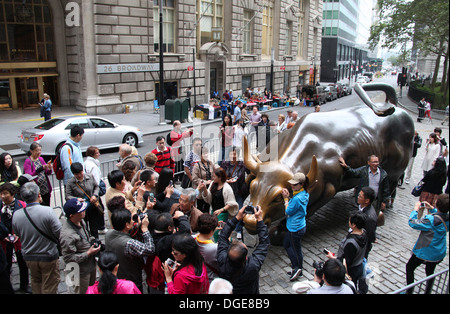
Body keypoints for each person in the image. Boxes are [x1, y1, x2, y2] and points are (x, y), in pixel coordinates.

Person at [12, 182, 62, 294]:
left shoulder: (17, 215)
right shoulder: (48, 211)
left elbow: (18, 233)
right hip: (48, 255)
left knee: (36, 282)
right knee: (50, 284)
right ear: (39, 195)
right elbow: (59, 232)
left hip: (29, 257)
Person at [217, 206, 270, 294]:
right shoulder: (252, 267)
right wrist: (260, 219)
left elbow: (223, 236)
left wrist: (237, 218)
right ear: (246, 258)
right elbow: (264, 243)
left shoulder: (223, 261)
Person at [406, 194, 449, 294]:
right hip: (438, 252)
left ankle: (409, 290)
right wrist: (433, 209)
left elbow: (413, 222)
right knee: (430, 272)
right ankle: (428, 291)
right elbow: (441, 217)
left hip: (425, 251)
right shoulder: (447, 218)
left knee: (410, 267)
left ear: (437, 204)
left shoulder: (430, 220)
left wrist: (415, 209)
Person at [105, 208, 155, 292]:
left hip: (116, 276)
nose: (133, 221)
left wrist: (137, 226)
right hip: (131, 280)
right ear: (127, 225)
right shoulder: (129, 243)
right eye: (131, 220)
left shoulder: (108, 234)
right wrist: (145, 229)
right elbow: (150, 249)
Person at [60, 198, 100, 294]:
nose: (84, 211)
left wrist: (92, 241)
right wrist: (88, 253)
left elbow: (87, 236)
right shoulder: (67, 235)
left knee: (92, 290)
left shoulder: (80, 220)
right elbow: (69, 259)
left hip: (90, 265)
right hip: (79, 272)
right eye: (81, 211)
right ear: (71, 215)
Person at [327, 211, 368, 292]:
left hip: (352, 269)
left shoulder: (351, 243)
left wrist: (333, 258)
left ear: (354, 225)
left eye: (349, 220)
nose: (348, 222)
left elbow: (346, 261)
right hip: (359, 264)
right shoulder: (364, 233)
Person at [0, 183, 30, 293]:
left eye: (5, 193)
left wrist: (18, 234)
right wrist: (4, 236)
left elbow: (27, 221)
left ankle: (24, 285)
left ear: (12, 194)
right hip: (4, 239)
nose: (3, 196)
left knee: (22, 263)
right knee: (5, 264)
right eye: (1, 193)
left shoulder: (21, 205)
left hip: (19, 239)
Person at [197, 167, 239, 242]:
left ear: (220, 177)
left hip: (223, 213)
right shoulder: (213, 184)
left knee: (219, 232)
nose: (212, 178)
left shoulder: (227, 188)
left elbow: (231, 203)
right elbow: (208, 197)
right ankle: (219, 244)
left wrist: (221, 210)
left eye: (214, 176)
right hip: (214, 212)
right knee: (215, 231)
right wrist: (204, 189)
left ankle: (225, 244)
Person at [281, 172, 309, 281]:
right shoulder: (304, 193)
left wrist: (286, 199)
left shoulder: (297, 198)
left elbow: (288, 211)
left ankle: (297, 268)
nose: (292, 186)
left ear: (301, 184)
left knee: (295, 249)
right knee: (287, 244)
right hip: (298, 225)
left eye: (295, 184)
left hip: (295, 228)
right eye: (292, 184)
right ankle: (296, 268)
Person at [65, 162, 102, 239]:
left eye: (80, 173)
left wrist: (95, 195)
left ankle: (96, 241)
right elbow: (67, 196)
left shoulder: (90, 176)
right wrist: (76, 199)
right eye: (76, 174)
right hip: (80, 209)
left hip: (92, 205)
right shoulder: (70, 182)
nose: (79, 175)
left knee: (94, 226)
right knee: (83, 227)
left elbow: (96, 187)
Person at [84, 146, 107, 234]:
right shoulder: (93, 166)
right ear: (92, 154)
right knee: (99, 208)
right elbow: (96, 180)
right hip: (94, 190)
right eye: (97, 153)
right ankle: (100, 227)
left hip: (90, 189)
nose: (99, 154)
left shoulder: (86, 163)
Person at [195, 213, 220, 281]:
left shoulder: (192, 239)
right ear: (212, 231)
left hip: (196, 273)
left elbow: (198, 235)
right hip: (210, 279)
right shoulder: (215, 248)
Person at [192, 147, 215, 213]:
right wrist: (205, 182)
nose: (206, 155)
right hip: (201, 190)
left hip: (209, 190)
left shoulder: (210, 163)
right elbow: (194, 178)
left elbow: (214, 173)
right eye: (204, 154)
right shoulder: (197, 165)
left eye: (207, 153)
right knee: (200, 208)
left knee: (207, 207)